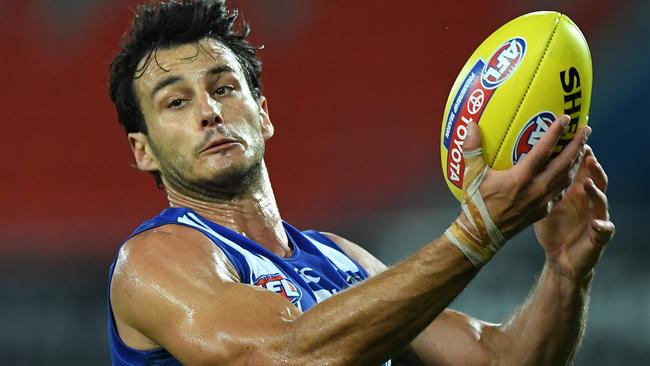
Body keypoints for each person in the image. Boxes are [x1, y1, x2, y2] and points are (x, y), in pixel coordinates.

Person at [106, 1, 615, 365]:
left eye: (224, 87)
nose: (210, 112)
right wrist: (476, 234)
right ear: (142, 150)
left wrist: (566, 273)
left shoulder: (340, 258)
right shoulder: (151, 262)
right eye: (176, 101)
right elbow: (279, 354)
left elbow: (500, 358)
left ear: (263, 115)